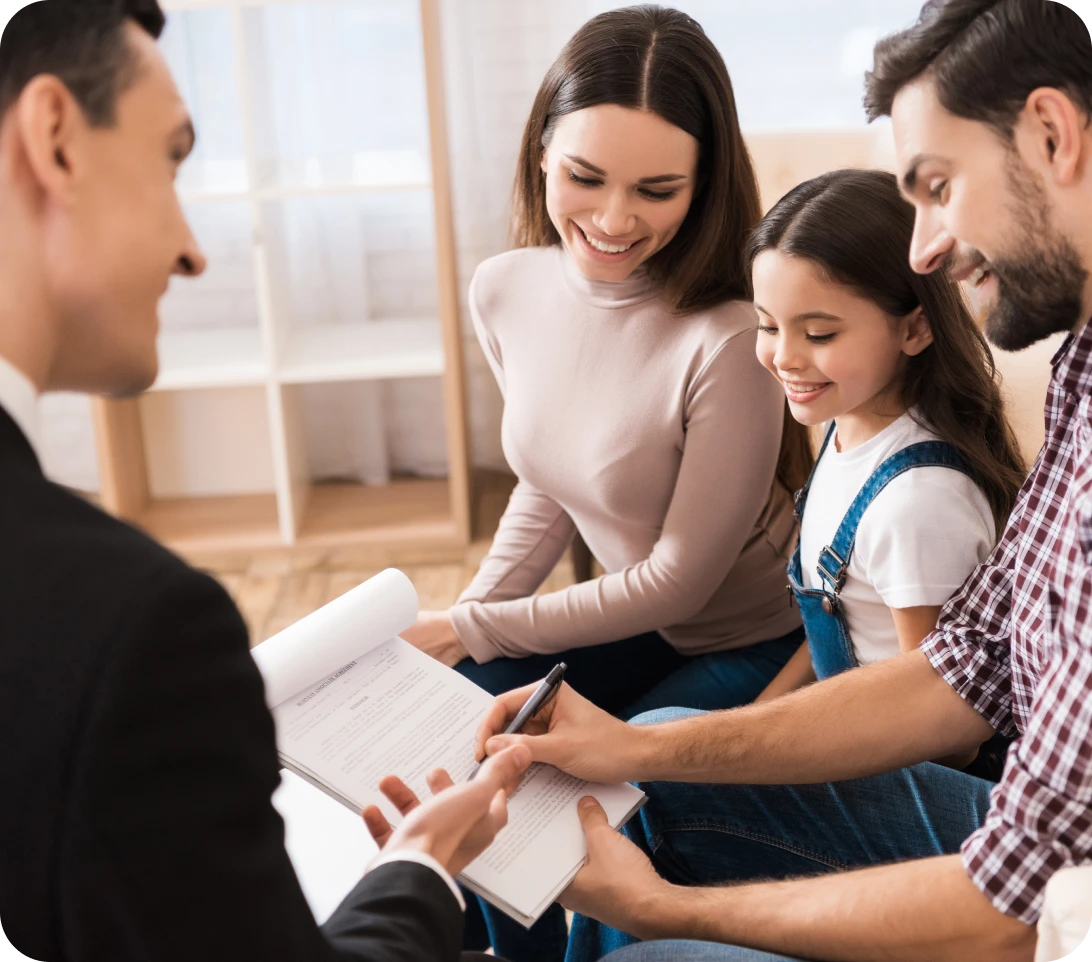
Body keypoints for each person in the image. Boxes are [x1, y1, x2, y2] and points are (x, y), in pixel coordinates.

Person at [473, 1, 1092, 959]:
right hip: (1028, 854)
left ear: (1052, 135)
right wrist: (641, 746)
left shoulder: (915, 483)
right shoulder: (1078, 374)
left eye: (937, 186)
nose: (923, 248)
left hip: (1052, 895)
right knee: (624, 743)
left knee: (637, 887)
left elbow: (1030, 897)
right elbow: (968, 667)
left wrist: (667, 912)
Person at [0, 3, 533, 961]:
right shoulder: (129, 632)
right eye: (170, 160)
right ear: (54, 141)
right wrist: (416, 873)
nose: (192, 249)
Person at [405, 3, 811, 725]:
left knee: (608, 787)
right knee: (450, 706)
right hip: (634, 621)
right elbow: (553, 478)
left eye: (657, 191)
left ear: (702, 184)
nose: (615, 220)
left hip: (755, 641)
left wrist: (473, 628)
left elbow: (677, 584)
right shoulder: (503, 290)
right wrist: (468, 618)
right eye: (585, 177)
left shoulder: (729, 340)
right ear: (541, 153)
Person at [748, 167, 1023, 782]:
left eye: (818, 332)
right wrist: (757, 720)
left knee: (660, 744)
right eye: (768, 325)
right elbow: (841, 619)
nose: (785, 357)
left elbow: (943, 735)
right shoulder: (846, 422)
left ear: (915, 326)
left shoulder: (917, 503)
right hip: (847, 722)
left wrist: (775, 747)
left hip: (919, 774)